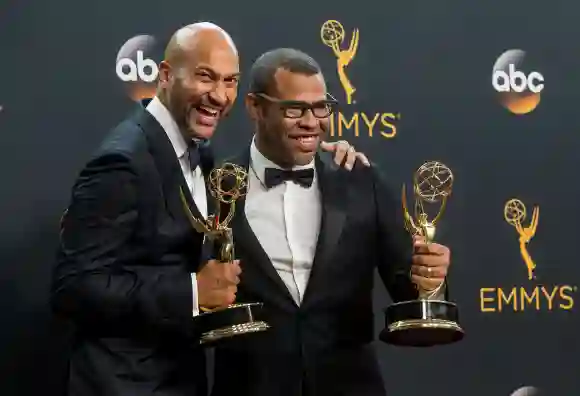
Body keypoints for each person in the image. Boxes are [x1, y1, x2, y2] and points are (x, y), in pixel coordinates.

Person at [51, 25, 367, 396]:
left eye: (230, 81)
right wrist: (193, 291)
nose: (219, 95)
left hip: (181, 378)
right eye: (205, 77)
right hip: (122, 385)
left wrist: (321, 155)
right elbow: (73, 287)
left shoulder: (198, 152)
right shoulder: (122, 161)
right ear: (165, 75)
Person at [210, 48, 452, 396]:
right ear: (254, 107)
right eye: (294, 109)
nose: (312, 122)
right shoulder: (218, 186)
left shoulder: (359, 180)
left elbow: (409, 292)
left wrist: (430, 280)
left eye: (321, 107)